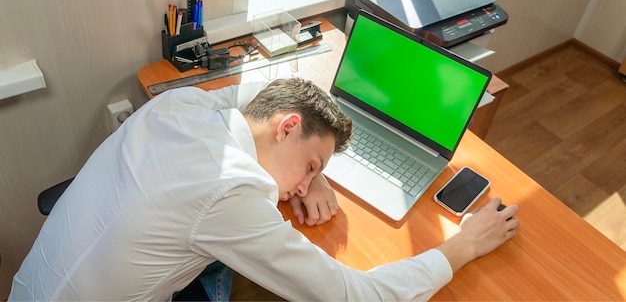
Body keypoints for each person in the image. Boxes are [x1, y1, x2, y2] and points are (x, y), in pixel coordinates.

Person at [10, 78, 519, 301]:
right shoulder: (229, 193)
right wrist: (462, 246)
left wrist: (310, 169)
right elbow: (351, 294)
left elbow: (255, 92)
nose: (304, 184)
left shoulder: (182, 105)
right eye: (311, 162)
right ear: (286, 126)